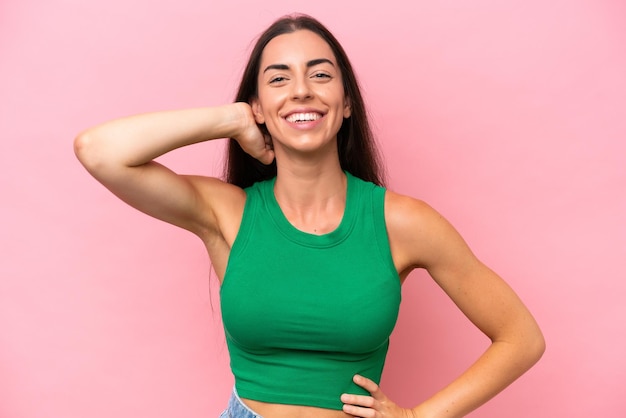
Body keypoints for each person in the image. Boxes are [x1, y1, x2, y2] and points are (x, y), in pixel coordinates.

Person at [74, 13, 545, 418]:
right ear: (258, 106)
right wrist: (231, 119)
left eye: (320, 75)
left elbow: (521, 338)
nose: (301, 91)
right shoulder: (227, 212)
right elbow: (98, 151)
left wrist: (419, 415)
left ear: (346, 105)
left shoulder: (403, 222)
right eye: (279, 79)